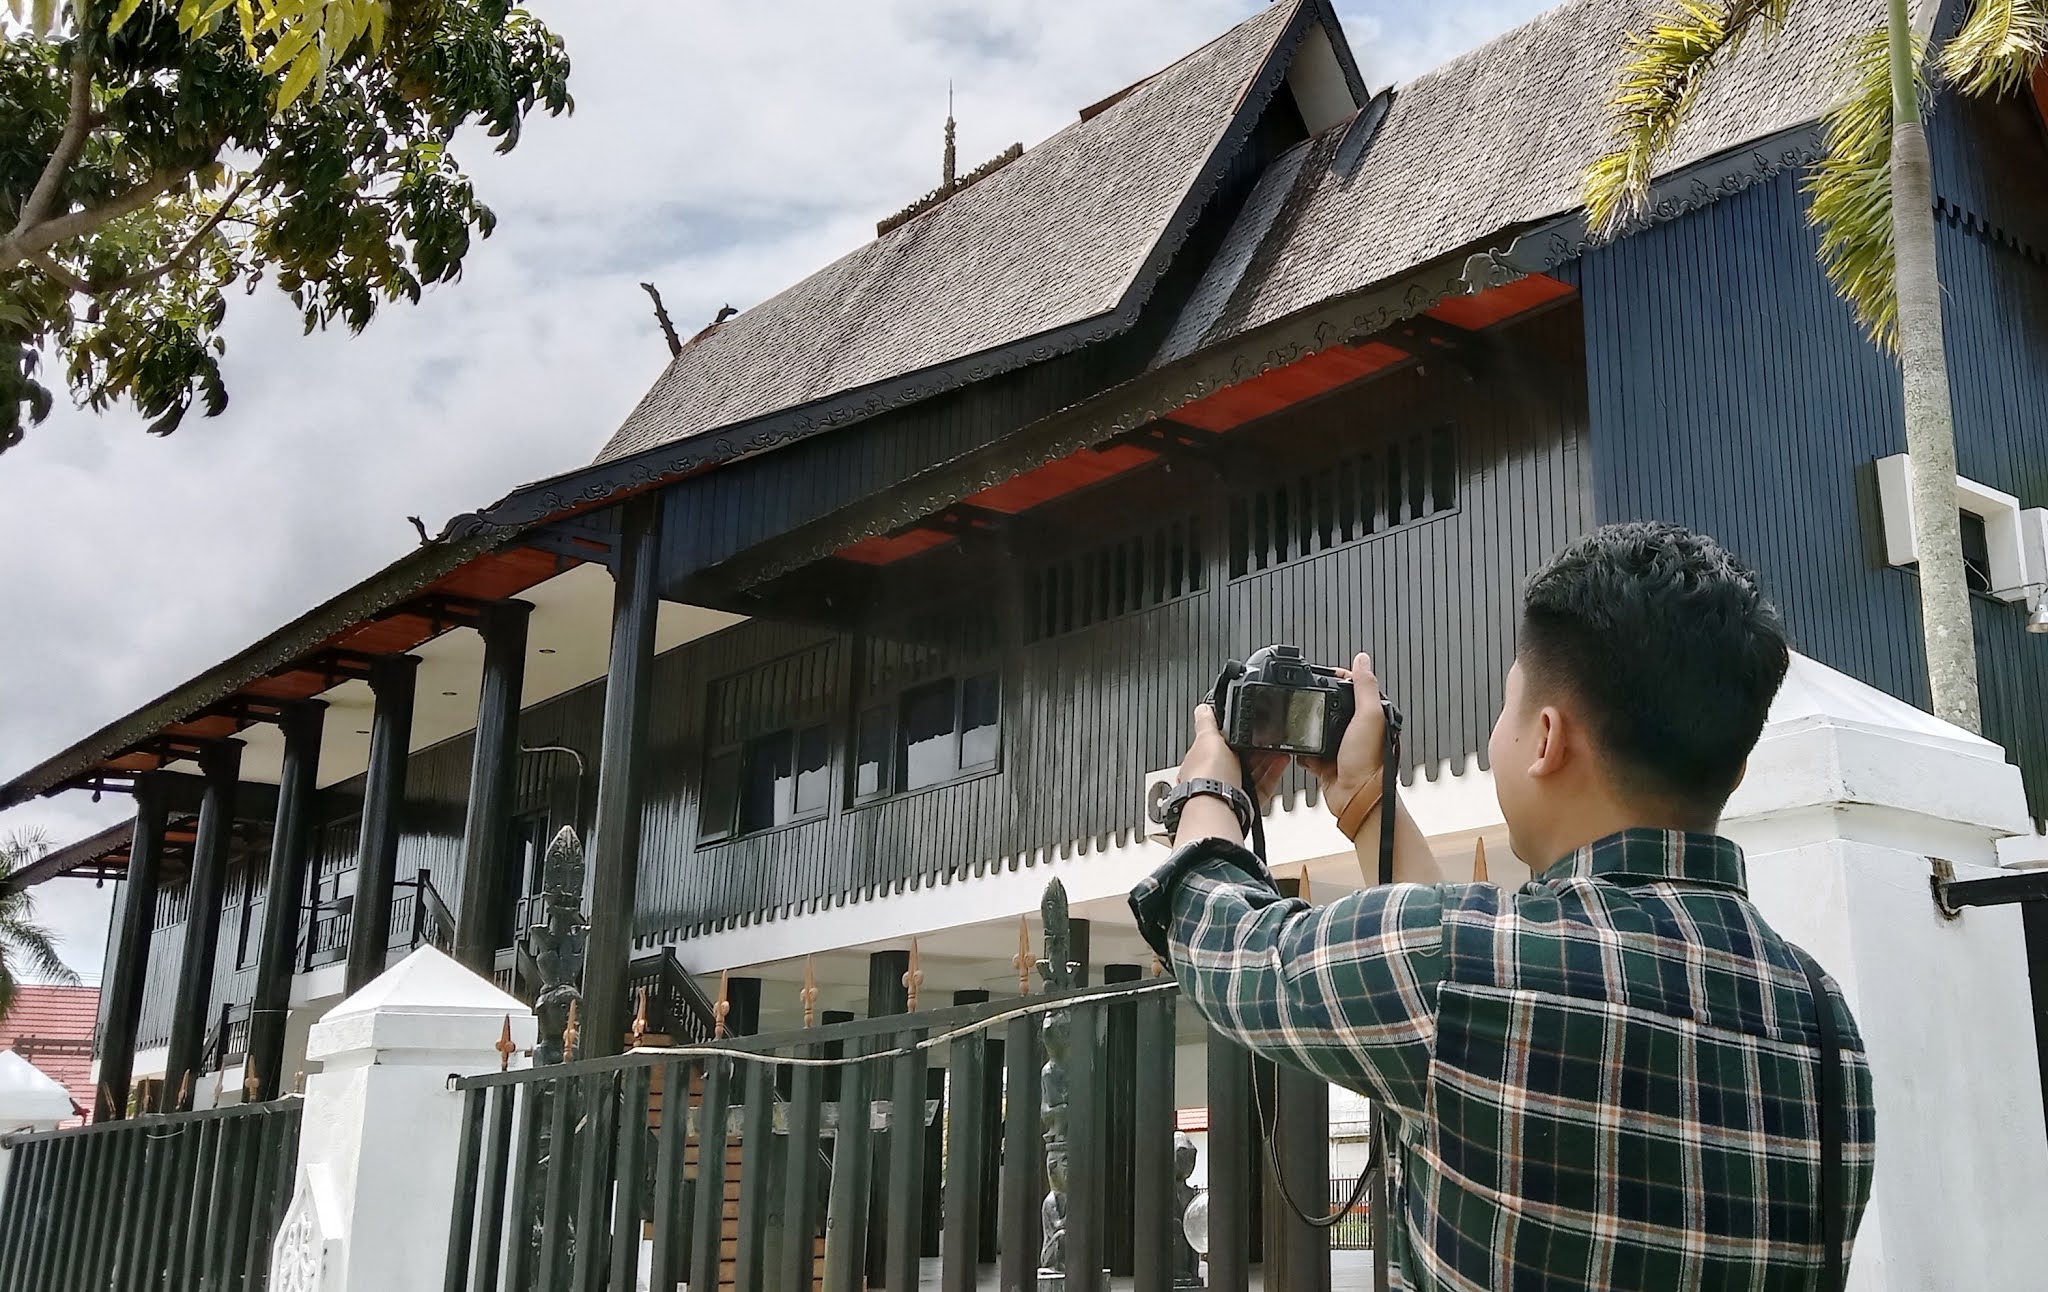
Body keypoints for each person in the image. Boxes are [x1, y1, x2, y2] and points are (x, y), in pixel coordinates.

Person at [1131, 521, 1875, 1291]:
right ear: (1739, 759)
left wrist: (1210, 788)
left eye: (1511, 705)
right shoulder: (1825, 1023)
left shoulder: (1463, 966)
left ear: (1546, 738)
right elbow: (1467, 991)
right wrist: (1363, 806)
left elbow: (1230, 946)